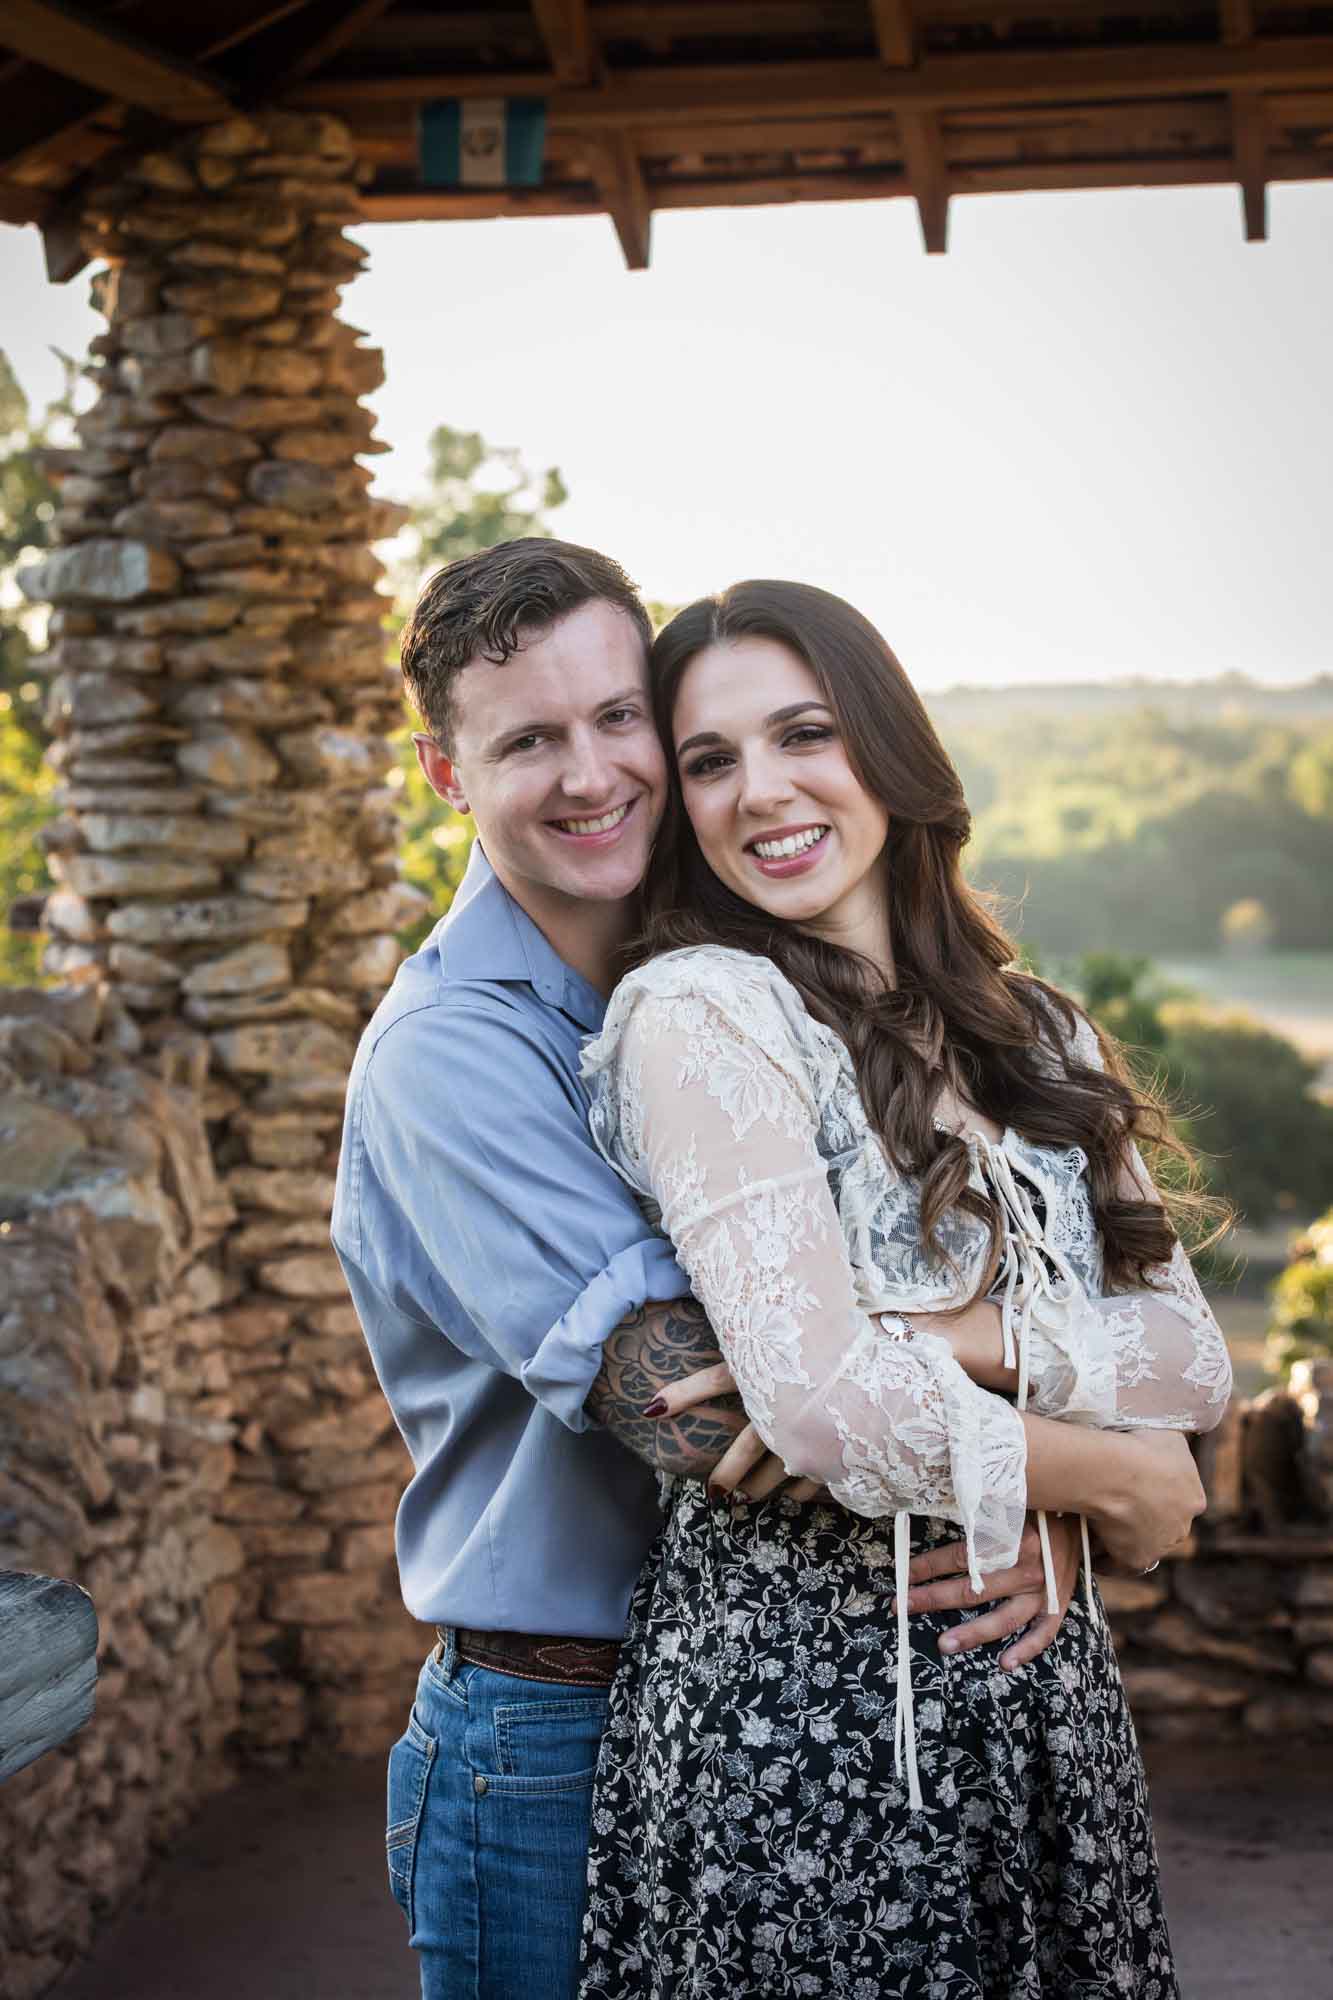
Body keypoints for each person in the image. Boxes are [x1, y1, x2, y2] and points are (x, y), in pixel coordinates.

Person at [332, 541, 1205, 2000]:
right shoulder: (457, 1056)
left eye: (620, 720)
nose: (592, 772)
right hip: (557, 1717)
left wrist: (1001, 1450)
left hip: (855, 1663)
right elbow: (721, 1415)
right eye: (528, 741)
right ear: (442, 772)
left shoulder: (773, 984)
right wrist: (1095, 1479)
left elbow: (950, 1362)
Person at [575, 580, 1233, 1999]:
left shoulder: (1037, 1026)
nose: (762, 792)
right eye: (709, 761)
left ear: (885, 748)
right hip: (804, 1715)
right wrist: (1113, 1488)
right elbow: (818, 1415)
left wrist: (952, 1336)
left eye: (802, 733)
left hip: (1043, 1691)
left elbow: (1188, 1359)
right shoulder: (705, 1012)